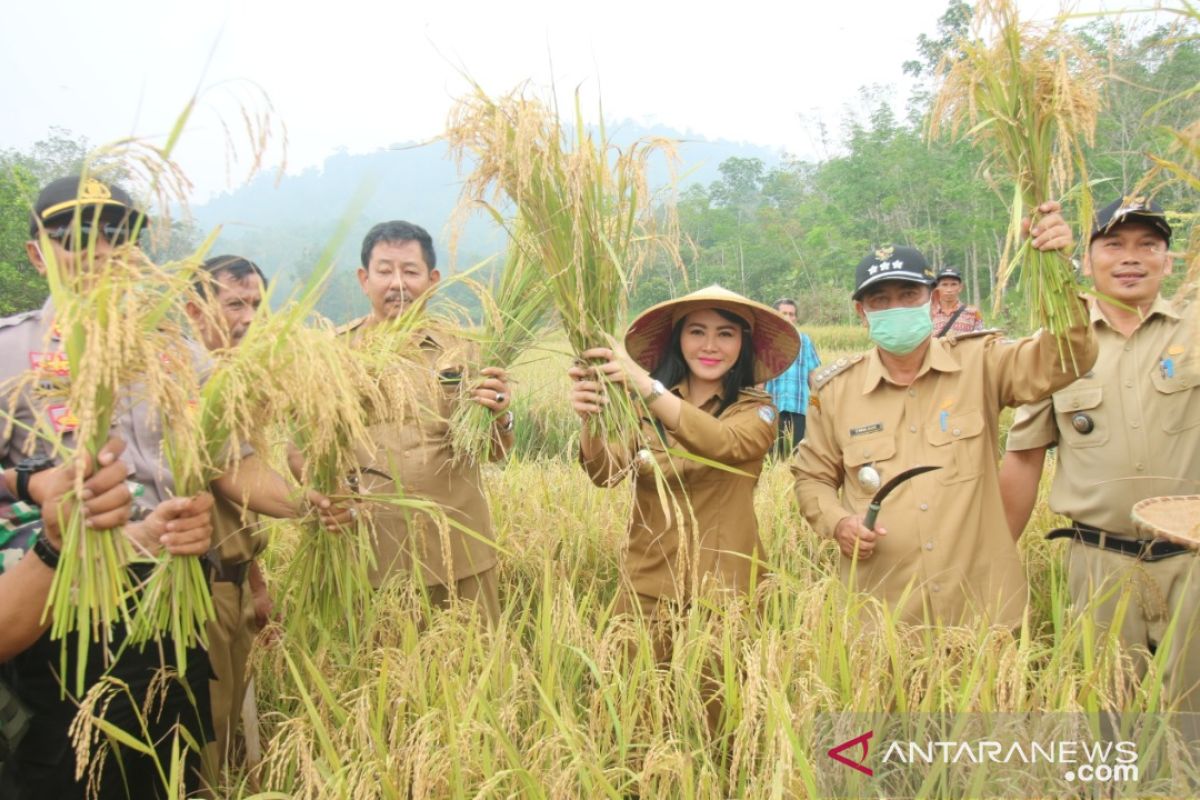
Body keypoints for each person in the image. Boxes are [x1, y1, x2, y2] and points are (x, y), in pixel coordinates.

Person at [791, 203, 1098, 628]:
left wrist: (1059, 269)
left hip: (982, 608)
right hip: (882, 615)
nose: (895, 307)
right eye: (880, 300)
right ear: (862, 313)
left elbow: (1067, 358)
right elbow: (812, 477)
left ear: (931, 299)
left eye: (908, 295)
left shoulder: (982, 364)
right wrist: (838, 522)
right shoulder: (836, 390)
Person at [999, 195, 1199, 712]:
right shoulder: (1059, 347)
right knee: (1108, 715)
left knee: (1192, 718)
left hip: (1193, 562)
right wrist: (997, 556)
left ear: (1167, 261)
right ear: (1086, 261)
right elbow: (1024, 455)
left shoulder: (1194, 330)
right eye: (1113, 245)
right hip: (1101, 562)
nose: (1131, 257)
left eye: (1147, 245)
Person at [570, 284, 799, 633]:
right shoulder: (638, 409)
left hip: (727, 595)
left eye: (726, 334)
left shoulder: (756, 411)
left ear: (743, 344)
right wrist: (593, 418)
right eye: (696, 332)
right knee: (638, 686)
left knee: (721, 688)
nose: (710, 346)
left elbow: (724, 443)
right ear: (678, 339)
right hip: (648, 588)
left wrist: (648, 388)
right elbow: (605, 473)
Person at [342, 220, 513, 623]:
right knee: (374, 674)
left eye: (411, 271)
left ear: (432, 280)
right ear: (364, 278)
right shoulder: (334, 356)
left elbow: (497, 450)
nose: (397, 283)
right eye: (384, 270)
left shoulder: (467, 352)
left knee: (474, 672)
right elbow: (304, 452)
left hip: (461, 552)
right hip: (367, 557)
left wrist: (502, 415)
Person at [183, 255, 272, 777]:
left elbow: (238, 511)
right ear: (196, 310)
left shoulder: (236, 380)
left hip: (234, 581)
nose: (248, 317)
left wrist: (256, 584)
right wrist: (311, 504)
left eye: (256, 304)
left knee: (230, 723)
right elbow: (235, 481)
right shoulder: (187, 381)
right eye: (234, 303)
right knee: (206, 739)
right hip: (200, 589)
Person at [763, 298, 821, 455]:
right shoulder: (766, 342)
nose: (789, 317)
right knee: (772, 455)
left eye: (792, 314)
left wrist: (819, 405)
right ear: (775, 315)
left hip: (798, 407)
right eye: (784, 313)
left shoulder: (805, 341)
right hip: (772, 408)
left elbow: (813, 376)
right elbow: (759, 379)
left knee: (796, 455)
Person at [930, 267, 984, 336]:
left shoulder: (973, 312)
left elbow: (981, 339)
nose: (949, 290)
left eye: (953, 284)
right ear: (937, 287)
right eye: (944, 284)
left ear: (960, 287)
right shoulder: (928, 314)